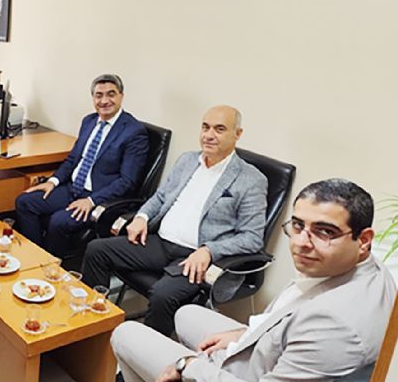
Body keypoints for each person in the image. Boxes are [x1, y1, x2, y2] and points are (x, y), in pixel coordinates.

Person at [111, 178, 397, 382]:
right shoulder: (371, 269)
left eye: (325, 232)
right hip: (271, 352)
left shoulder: (332, 324)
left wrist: (189, 366)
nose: (301, 243)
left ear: (363, 240)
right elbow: (290, 318)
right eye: (298, 226)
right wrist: (243, 335)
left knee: (126, 333)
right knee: (186, 313)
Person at [82, 105, 268, 338]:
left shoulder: (251, 179)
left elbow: (252, 238)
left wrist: (209, 250)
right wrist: (141, 217)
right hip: (160, 243)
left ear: (237, 134)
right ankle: (93, 331)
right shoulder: (187, 160)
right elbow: (160, 197)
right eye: (205, 127)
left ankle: (145, 355)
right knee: (97, 250)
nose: (209, 135)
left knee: (163, 295)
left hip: (194, 257)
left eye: (219, 129)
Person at [14, 74, 149, 257]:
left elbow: (127, 181)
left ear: (121, 96)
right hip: (73, 188)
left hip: (99, 197)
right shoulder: (89, 121)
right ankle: (36, 256)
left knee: (58, 221)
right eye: (99, 95)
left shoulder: (134, 132)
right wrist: (52, 182)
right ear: (93, 98)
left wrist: (91, 201)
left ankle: (53, 266)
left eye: (111, 94)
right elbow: (73, 159)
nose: (104, 101)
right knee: (24, 201)